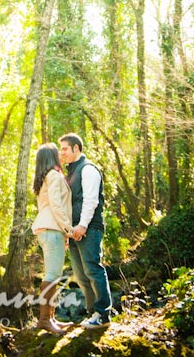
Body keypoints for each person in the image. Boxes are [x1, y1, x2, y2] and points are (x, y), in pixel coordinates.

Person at [59, 132, 112, 329]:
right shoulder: (71, 172)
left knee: (93, 268)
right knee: (81, 275)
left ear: (76, 148)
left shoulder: (88, 169)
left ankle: (103, 314)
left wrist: (82, 225)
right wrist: (68, 231)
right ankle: (93, 313)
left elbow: (91, 200)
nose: (62, 153)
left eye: (65, 149)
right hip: (74, 231)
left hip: (88, 229)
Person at [31, 142, 73, 334]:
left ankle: (50, 318)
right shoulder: (54, 175)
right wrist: (69, 229)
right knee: (53, 275)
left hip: (46, 228)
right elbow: (57, 206)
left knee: (53, 274)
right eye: (58, 152)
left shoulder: (44, 177)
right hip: (52, 228)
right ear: (52, 157)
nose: (60, 155)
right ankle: (45, 320)